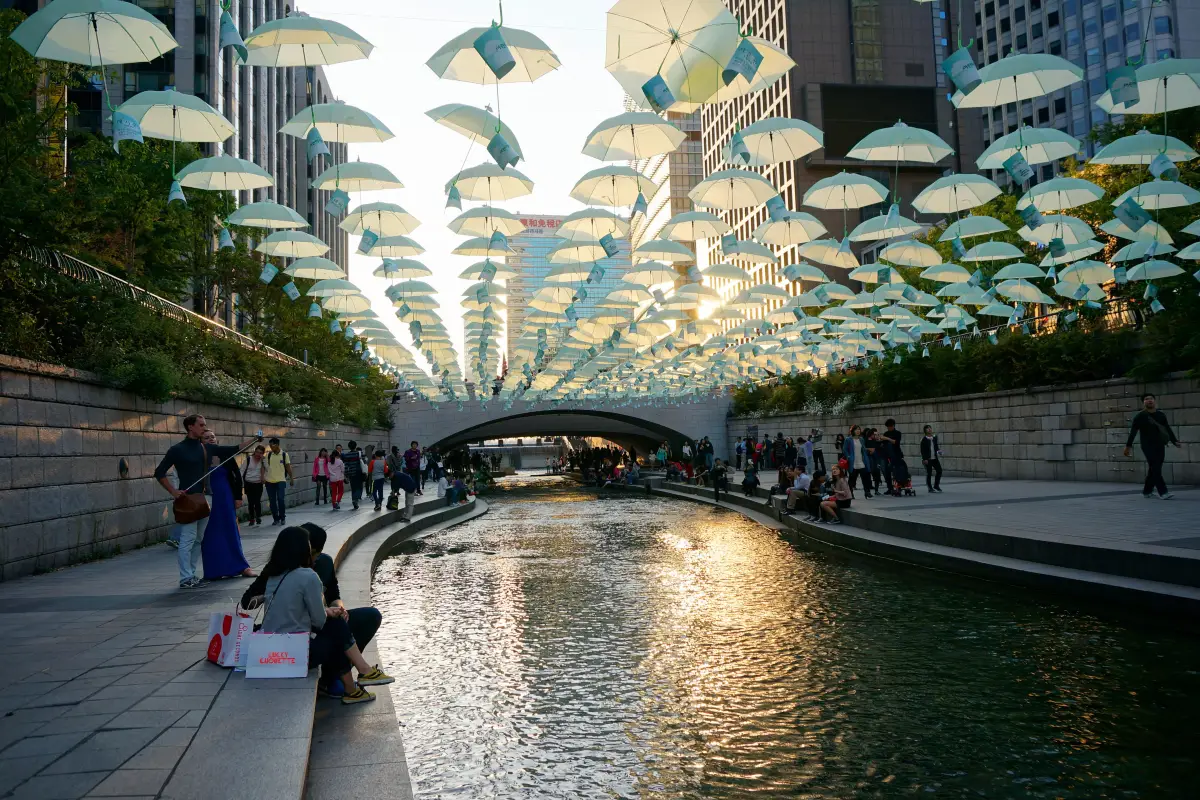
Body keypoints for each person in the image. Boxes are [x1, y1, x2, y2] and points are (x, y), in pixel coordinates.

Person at [248, 526, 392, 705]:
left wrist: (329, 611)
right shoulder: (308, 576)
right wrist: (330, 613)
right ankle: (360, 674)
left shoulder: (273, 576)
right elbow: (319, 621)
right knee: (336, 627)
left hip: (272, 649)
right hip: (297, 653)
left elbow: (295, 612)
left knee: (336, 625)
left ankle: (353, 686)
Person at [155, 414, 261, 589]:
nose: (204, 428)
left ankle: (191, 574)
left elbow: (234, 449)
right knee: (188, 539)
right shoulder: (177, 449)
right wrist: (173, 491)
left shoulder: (206, 448)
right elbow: (159, 472)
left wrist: (254, 439)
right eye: (201, 425)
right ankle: (185, 577)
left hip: (207, 499)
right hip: (189, 500)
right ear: (190, 427)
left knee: (198, 539)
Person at [199, 430, 255, 580]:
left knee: (230, 529)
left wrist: (238, 496)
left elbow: (236, 475)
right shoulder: (200, 456)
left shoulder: (225, 455)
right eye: (206, 437)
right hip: (207, 499)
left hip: (225, 496)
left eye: (213, 436)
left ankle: (241, 566)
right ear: (200, 441)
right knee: (209, 533)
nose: (211, 439)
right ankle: (213, 570)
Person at [1124, 393, 1182, 499]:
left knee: (1154, 468)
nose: (1149, 400)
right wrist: (1128, 446)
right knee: (1155, 467)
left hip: (1160, 444)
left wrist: (1174, 441)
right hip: (1147, 445)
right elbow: (1133, 432)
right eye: (1146, 399)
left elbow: (1167, 428)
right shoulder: (1140, 416)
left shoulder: (1161, 415)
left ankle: (1147, 491)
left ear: (1154, 401)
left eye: (1151, 399)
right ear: (1143, 402)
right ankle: (1163, 492)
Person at [264, 437, 294, 525]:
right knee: (272, 501)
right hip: (269, 481)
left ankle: (282, 517)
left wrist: (292, 478)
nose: (270, 447)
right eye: (269, 445)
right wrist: (263, 477)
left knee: (281, 499)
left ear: (277, 445)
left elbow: (288, 467)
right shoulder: (268, 455)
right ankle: (275, 518)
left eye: (272, 445)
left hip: (281, 480)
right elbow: (264, 467)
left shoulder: (284, 455)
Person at [842, 426, 873, 498]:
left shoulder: (861, 439)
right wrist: (848, 456)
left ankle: (867, 492)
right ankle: (850, 493)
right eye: (856, 430)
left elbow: (863, 448)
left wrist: (868, 450)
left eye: (859, 429)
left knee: (865, 477)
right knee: (852, 478)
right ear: (853, 431)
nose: (858, 431)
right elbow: (845, 449)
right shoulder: (848, 439)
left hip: (861, 461)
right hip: (853, 461)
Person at [242, 445, 266, 526]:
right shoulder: (248, 460)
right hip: (248, 483)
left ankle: (258, 517)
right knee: (251, 502)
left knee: (257, 501)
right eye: (257, 452)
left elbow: (268, 469)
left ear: (262, 454)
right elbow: (242, 471)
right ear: (254, 451)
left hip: (258, 484)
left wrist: (264, 461)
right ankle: (252, 518)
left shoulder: (263, 461)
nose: (258, 454)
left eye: (260, 453)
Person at [920, 425, 944, 493]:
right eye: (928, 428)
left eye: (930, 428)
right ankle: (930, 487)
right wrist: (925, 459)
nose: (929, 429)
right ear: (925, 431)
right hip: (928, 459)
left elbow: (936, 447)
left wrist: (939, 451)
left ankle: (936, 485)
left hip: (934, 458)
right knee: (929, 473)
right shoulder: (924, 439)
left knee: (939, 471)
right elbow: (922, 450)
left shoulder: (934, 438)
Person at [343, 441, 364, 510]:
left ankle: (354, 501)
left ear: (349, 447)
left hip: (351, 473)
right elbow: (364, 462)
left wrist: (346, 474)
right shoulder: (359, 453)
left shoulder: (347, 455)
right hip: (359, 472)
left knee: (353, 487)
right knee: (359, 487)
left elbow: (346, 466)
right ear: (355, 446)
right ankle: (356, 499)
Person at [367, 447, 388, 512]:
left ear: (375, 455)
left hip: (375, 478)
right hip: (381, 478)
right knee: (380, 491)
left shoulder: (372, 462)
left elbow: (369, 470)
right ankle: (380, 503)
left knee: (374, 492)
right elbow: (386, 471)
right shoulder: (384, 462)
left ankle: (377, 503)